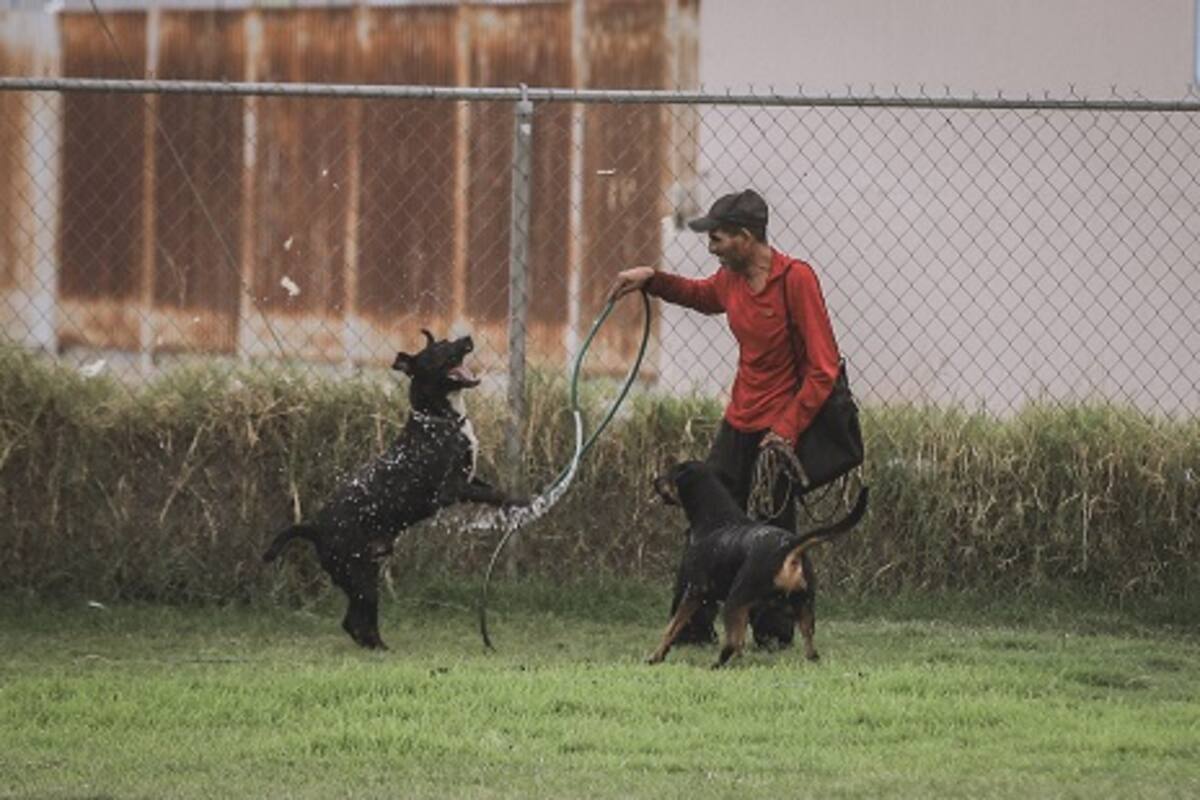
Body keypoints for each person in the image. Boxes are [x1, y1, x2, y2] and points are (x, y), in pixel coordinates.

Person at [608, 188, 842, 646]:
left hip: (780, 430)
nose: (710, 246)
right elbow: (699, 294)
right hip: (739, 421)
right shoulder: (730, 279)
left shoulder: (796, 280)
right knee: (707, 523)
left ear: (748, 237)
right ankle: (693, 627)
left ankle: (773, 632)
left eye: (718, 238)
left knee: (773, 531)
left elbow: (824, 368)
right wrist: (651, 278)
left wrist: (787, 430)